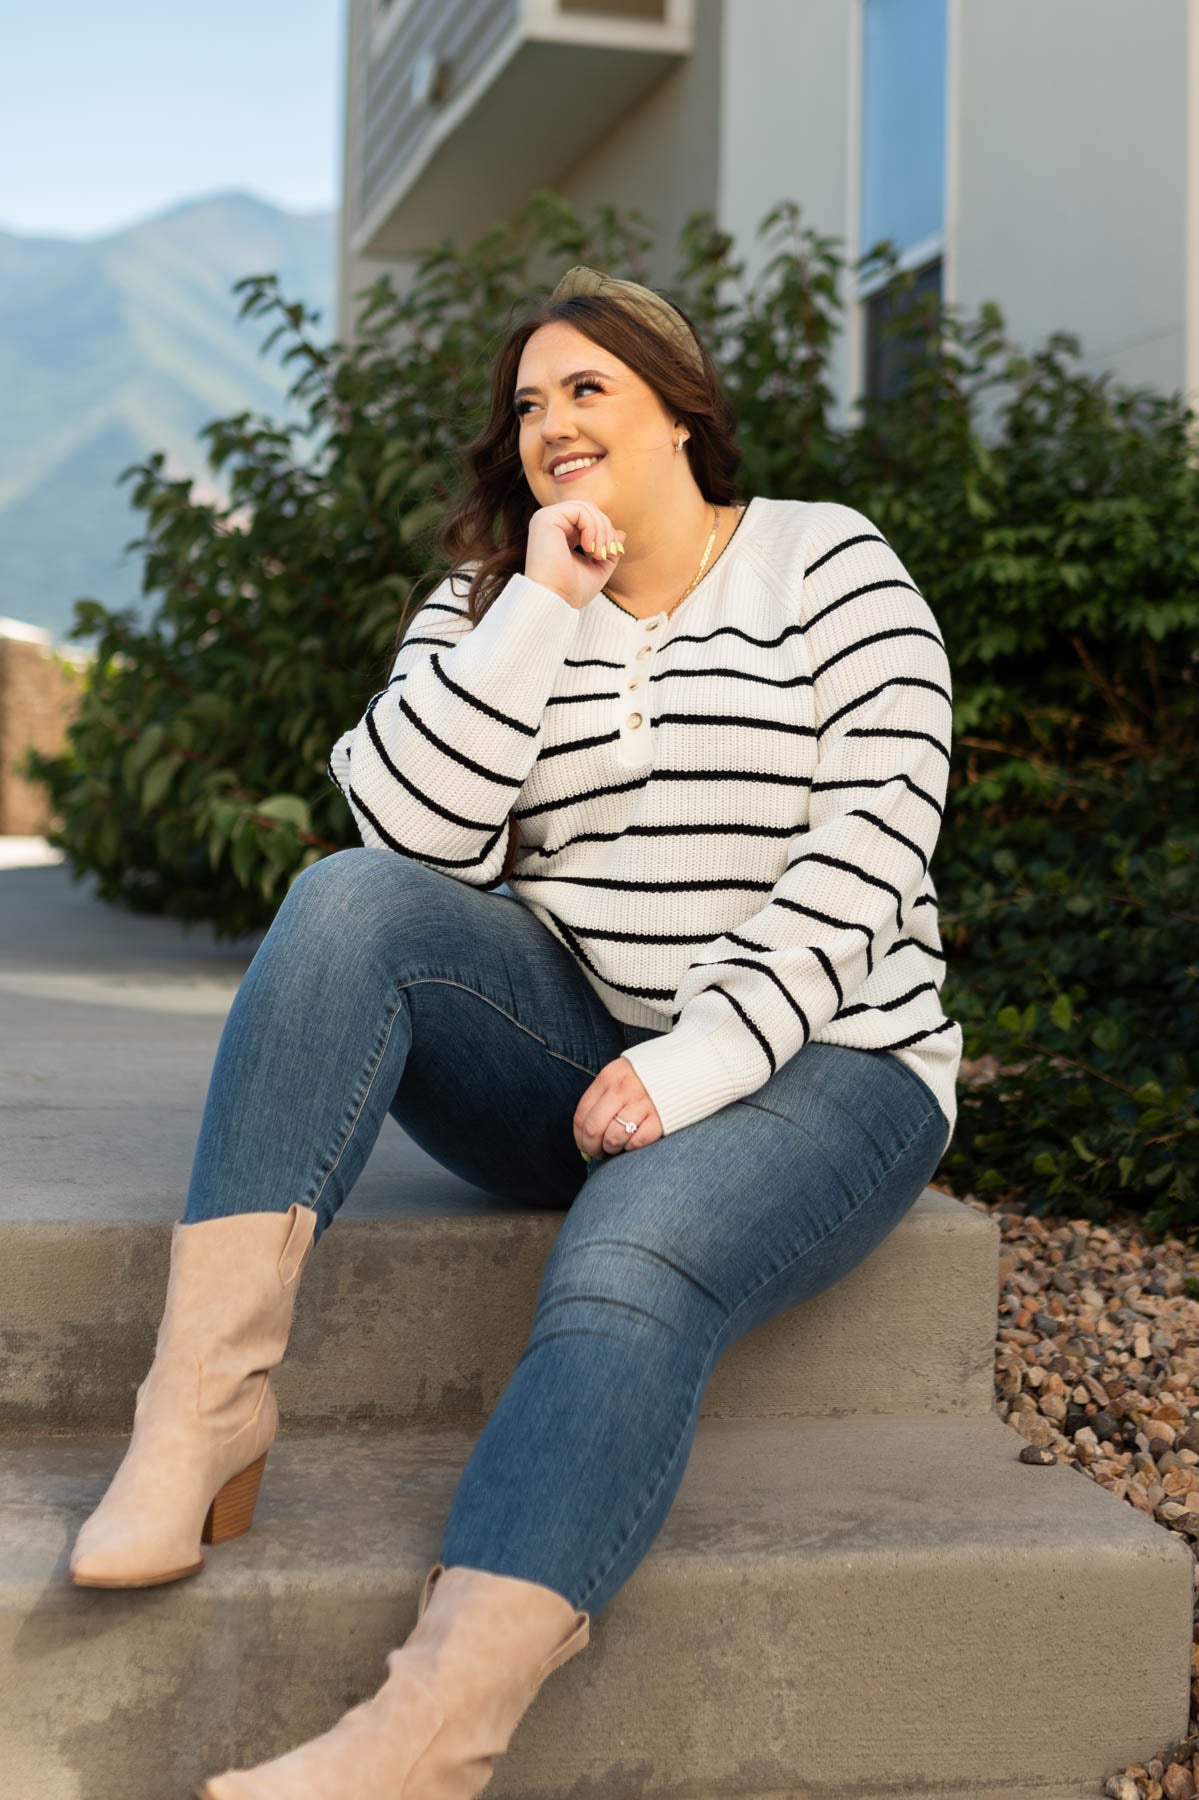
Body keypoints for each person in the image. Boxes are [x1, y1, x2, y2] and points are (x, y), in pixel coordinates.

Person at [67, 263, 962, 1798]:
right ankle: (202, 1409)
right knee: (346, 903)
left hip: (826, 1064)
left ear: (682, 408)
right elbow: (410, 836)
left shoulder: (828, 564)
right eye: (528, 403)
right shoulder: (490, 601)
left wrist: (705, 1059)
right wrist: (542, 604)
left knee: (627, 1257)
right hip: (571, 1057)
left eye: (587, 387)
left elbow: (879, 835)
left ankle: (426, 1736)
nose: (551, 421)